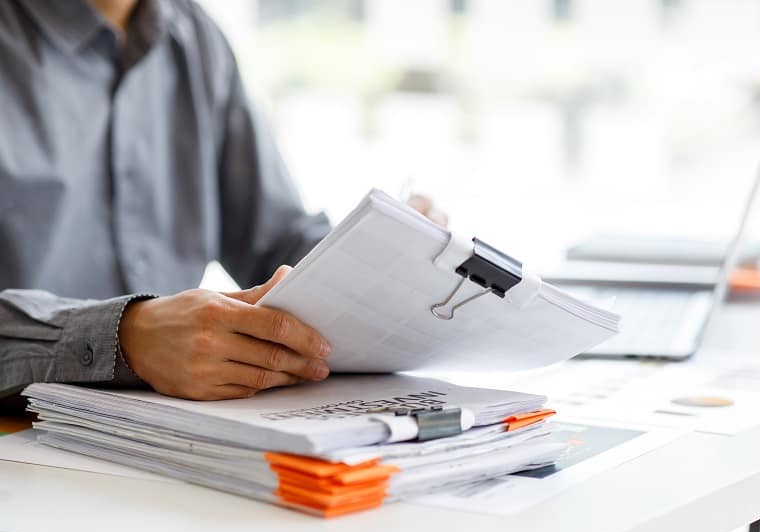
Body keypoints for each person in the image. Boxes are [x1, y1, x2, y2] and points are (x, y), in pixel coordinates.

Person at [0, 0, 446, 401]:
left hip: (170, 439)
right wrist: (126, 337)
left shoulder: (196, 39)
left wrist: (382, 260)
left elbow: (276, 244)